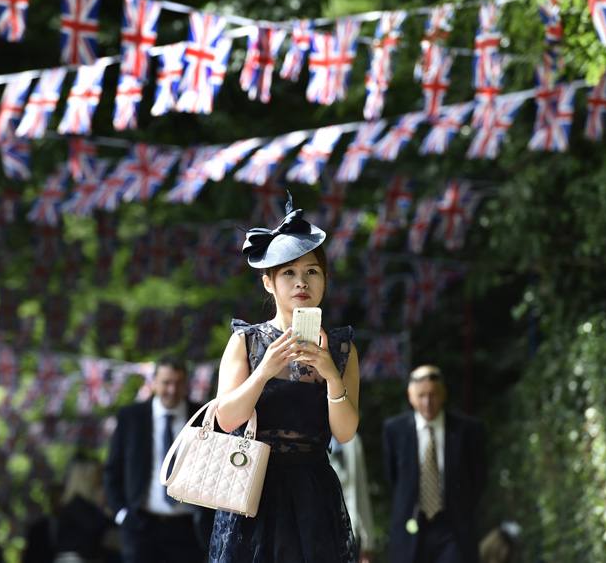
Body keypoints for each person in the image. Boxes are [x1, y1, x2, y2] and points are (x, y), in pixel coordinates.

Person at [208, 194, 361, 563]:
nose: (301, 282)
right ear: (268, 283)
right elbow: (225, 419)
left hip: (313, 494)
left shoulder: (341, 349)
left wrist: (330, 376)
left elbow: (345, 433)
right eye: (288, 273)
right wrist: (264, 369)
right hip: (250, 489)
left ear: (324, 279)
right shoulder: (246, 341)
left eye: (312, 271)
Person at [103, 357, 211, 563]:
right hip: (141, 526)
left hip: (190, 529)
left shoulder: (203, 416)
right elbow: (112, 471)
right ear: (153, 383)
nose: (172, 389)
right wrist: (122, 514)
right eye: (166, 383)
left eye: (178, 383)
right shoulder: (131, 417)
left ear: (186, 384)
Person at [383, 365, 487, 563]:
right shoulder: (394, 430)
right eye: (421, 395)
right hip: (411, 525)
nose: (427, 402)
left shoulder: (468, 430)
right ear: (410, 396)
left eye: (433, 395)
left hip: (453, 528)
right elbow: (393, 476)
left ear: (444, 394)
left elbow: (478, 477)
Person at [53, 459, 115, 563]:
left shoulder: (85, 505)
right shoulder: (76, 505)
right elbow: (97, 525)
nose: (101, 485)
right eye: (98, 481)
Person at [328, 434, 377, 563]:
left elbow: (361, 490)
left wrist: (368, 542)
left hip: (351, 535)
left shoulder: (353, 440)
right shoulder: (309, 439)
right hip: (322, 536)